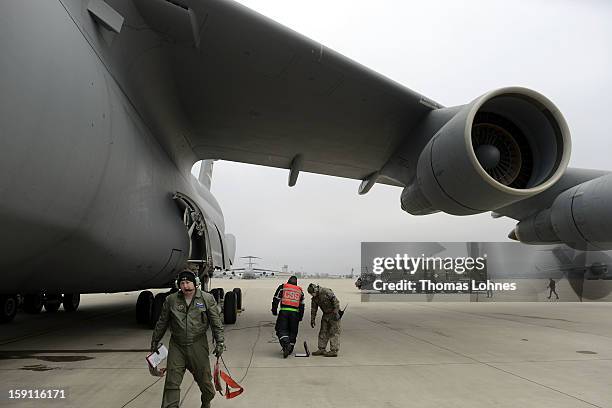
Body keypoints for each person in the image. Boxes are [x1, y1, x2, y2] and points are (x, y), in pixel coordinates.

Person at [151, 270, 224, 408]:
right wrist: (155, 341)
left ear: (195, 283)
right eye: (182, 283)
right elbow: (162, 322)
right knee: (172, 382)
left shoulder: (207, 299)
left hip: (198, 344)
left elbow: (216, 322)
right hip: (177, 345)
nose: (186, 286)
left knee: (206, 383)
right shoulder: (171, 300)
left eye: (188, 282)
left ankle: (206, 401)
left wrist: (220, 342)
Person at [271, 276, 305, 358]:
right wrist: (300, 317)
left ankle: (286, 344)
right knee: (293, 331)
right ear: (296, 283)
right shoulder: (300, 291)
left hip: (284, 312)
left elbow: (276, 299)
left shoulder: (283, 287)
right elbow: (302, 305)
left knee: (281, 329)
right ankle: (290, 348)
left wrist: (274, 310)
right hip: (295, 314)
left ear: (288, 281)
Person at [307, 283, 341, 357]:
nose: (312, 295)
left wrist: (336, 313)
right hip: (325, 314)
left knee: (334, 332)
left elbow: (336, 302)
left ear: (316, 289)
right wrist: (312, 319)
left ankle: (334, 350)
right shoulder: (315, 298)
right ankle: (321, 349)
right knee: (323, 331)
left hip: (334, 313)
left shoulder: (326, 291)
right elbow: (313, 309)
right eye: (311, 294)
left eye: (313, 293)